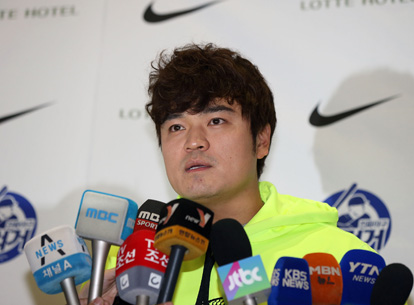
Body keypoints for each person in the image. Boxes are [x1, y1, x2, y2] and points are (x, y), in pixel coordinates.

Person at [80, 43, 374, 305]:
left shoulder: (339, 260)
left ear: (261, 140)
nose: (194, 141)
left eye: (216, 120)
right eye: (176, 127)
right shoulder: (129, 260)